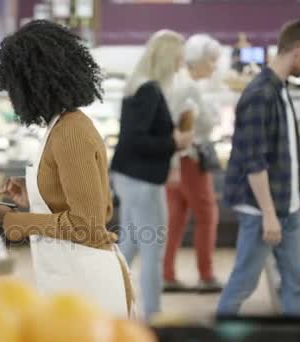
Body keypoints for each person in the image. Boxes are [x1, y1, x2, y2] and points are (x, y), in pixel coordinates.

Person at [0, 20, 133, 318]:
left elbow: (88, 225)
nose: (11, 97)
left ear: (32, 83)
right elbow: (70, 205)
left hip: (88, 285)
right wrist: (21, 204)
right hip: (70, 278)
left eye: (13, 87)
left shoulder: (71, 133)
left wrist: (22, 223)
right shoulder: (60, 125)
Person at [218, 20, 300, 316]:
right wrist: (268, 214)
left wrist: (291, 207)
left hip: (287, 210)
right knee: (243, 283)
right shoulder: (260, 94)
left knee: (296, 281)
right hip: (263, 212)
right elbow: (255, 161)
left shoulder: (279, 89)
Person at [110, 30, 193, 320]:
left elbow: (133, 136)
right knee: (153, 252)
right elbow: (137, 139)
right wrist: (175, 143)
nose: (180, 65)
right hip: (143, 181)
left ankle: (112, 306)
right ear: (167, 57)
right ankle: (153, 317)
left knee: (130, 243)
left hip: (128, 177)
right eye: (179, 59)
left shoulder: (137, 85)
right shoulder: (150, 90)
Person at [163, 34, 223, 293]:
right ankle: (206, 275)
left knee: (175, 218)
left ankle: (166, 274)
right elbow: (203, 124)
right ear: (197, 61)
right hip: (190, 161)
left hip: (175, 161)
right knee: (208, 216)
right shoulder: (192, 88)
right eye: (211, 60)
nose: (214, 66)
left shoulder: (179, 83)